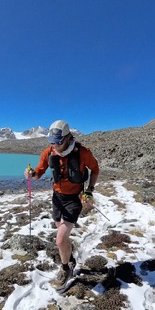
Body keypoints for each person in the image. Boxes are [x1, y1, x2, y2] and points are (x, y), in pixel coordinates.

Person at [24, 119, 100, 289]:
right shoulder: (49, 152)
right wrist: (31, 174)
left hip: (74, 199)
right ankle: (70, 258)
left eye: (58, 142)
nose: (55, 146)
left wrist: (89, 190)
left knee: (59, 240)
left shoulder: (83, 153)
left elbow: (95, 169)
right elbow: (38, 172)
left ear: (67, 138)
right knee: (62, 235)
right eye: (52, 142)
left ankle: (65, 269)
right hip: (57, 199)